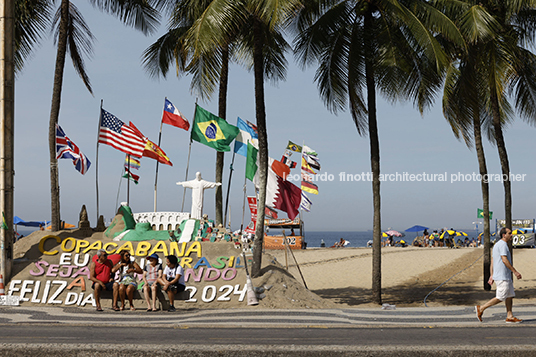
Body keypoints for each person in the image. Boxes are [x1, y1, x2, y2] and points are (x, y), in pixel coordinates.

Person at [475, 228, 523, 323]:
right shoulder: (503, 245)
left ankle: (510, 316)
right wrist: (515, 271)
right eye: (509, 233)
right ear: (504, 235)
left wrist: (492, 275)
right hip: (502, 276)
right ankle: (481, 308)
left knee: (509, 295)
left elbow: (493, 261)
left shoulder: (497, 245)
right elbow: (504, 260)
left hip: (504, 275)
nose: (511, 235)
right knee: (501, 297)